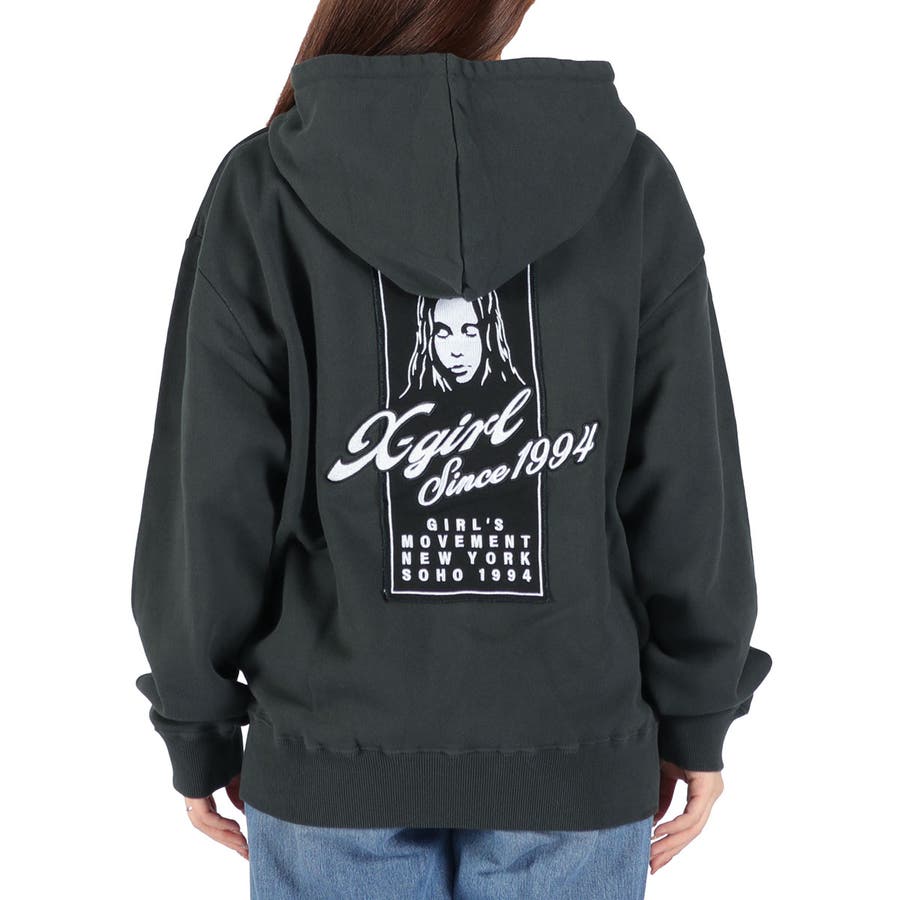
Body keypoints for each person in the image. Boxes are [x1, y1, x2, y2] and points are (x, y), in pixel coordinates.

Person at [130, 1, 773, 897]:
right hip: (574, 749)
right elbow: (687, 482)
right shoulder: (627, 179)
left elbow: (211, 491)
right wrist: (698, 709)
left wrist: (196, 722)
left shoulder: (264, 188)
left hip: (331, 749)